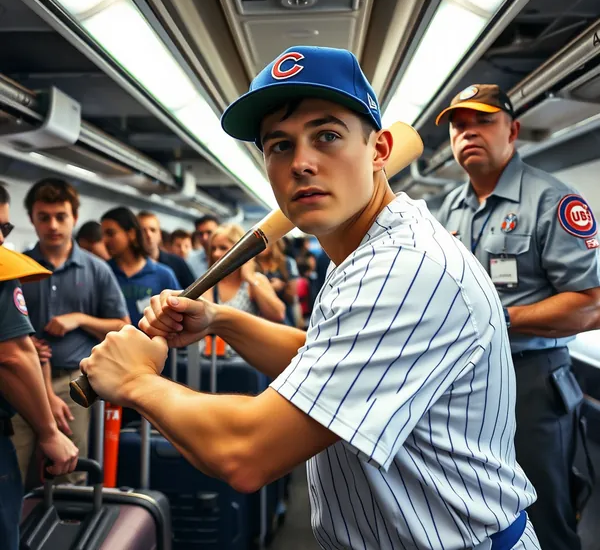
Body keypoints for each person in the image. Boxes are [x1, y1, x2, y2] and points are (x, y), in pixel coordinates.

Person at [81, 46, 541, 549]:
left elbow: (244, 453)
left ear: (381, 149)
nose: (301, 163)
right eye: (279, 146)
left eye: (327, 136)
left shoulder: (403, 267)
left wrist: (134, 381)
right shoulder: (368, 250)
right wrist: (220, 319)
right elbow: (320, 359)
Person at [434, 84, 600, 550]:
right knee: (475, 516)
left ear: (514, 130)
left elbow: (591, 303)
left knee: (543, 517)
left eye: (483, 121)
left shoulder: (551, 200)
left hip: (531, 383)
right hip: (463, 385)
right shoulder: (450, 206)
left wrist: (498, 318)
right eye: (459, 125)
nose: (468, 133)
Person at [13, 178, 129, 488]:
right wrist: (23, 342)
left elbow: (122, 324)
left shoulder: (96, 270)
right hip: (21, 382)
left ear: (74, 218)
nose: (53, 225)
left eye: (61, 216)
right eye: (44, 217)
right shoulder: (16, 269)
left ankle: (69, 530)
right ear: (32, 220)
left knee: (70, 470)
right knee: (14, 469)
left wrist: (79, 319)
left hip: (74, 385)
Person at [0, 183, 78, 549]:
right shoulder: (5, 270)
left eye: (5, 229)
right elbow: (13, 356)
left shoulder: (92, 269)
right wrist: (48, 430)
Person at [101, 207, 181, 329]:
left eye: (111, 234)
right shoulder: (103, 273)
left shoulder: (163, 275)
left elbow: (178, 317)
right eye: (103, 235)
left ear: (131, 234)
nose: (105, 240)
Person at [138, 211, 195, 289]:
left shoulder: (178, 263)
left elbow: (194, 293)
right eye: (143, 231)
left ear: (160, 234)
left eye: (153, 230)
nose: (149, 235)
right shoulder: (129, 266)